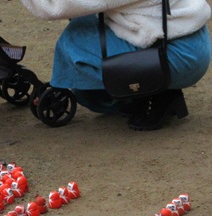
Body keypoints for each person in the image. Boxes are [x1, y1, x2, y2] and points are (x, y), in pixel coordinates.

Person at [18, 0, 211, 130]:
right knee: (89, 94)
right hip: (184, 34)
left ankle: (156, 90)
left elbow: (54, 6)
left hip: (179, 51)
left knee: (75, 41)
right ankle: (147, 88)